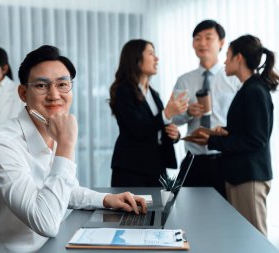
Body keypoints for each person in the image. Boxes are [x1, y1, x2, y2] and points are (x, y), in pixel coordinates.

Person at [0, 45, 147, 253]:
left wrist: (105, 199)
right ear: (23, 93)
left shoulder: (51, 131)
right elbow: (46, 223)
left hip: (50, 247)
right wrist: (66, 145)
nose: (54, 95)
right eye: (41, 86)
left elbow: (63, 189)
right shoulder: (0, 145)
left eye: (62, 84)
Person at [190, 35, 278, 236]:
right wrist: (227, 132)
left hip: (249, 176)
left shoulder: (254, 90)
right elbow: (248, 132)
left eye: (228, 55)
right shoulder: (247, 89)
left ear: (239, 58)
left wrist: (213, 140)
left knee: (254, 240)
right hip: (241, 175)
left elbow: (257, 139)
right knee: (243, 239)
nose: (224, 60)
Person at [172, 20, 240, 198]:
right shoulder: (184, 80)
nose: (202, 43)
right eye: (197, 38)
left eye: (208, 38)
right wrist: (187, 113)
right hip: (193, 160)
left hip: (225, 159)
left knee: (227, 217)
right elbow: (173, 119)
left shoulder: (234, 79)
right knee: (188, 215)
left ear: (222, 43)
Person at [108, 39, 188, 187]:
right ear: (136, 59)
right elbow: (137, 128)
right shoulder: (123, 90)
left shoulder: (154, 94)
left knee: (158, 210)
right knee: (131, 210)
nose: (156, 58)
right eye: (151, 53)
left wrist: (174, 134)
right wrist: (166, 114)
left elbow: (157, 127)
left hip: (156, 167)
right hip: (132, 169)